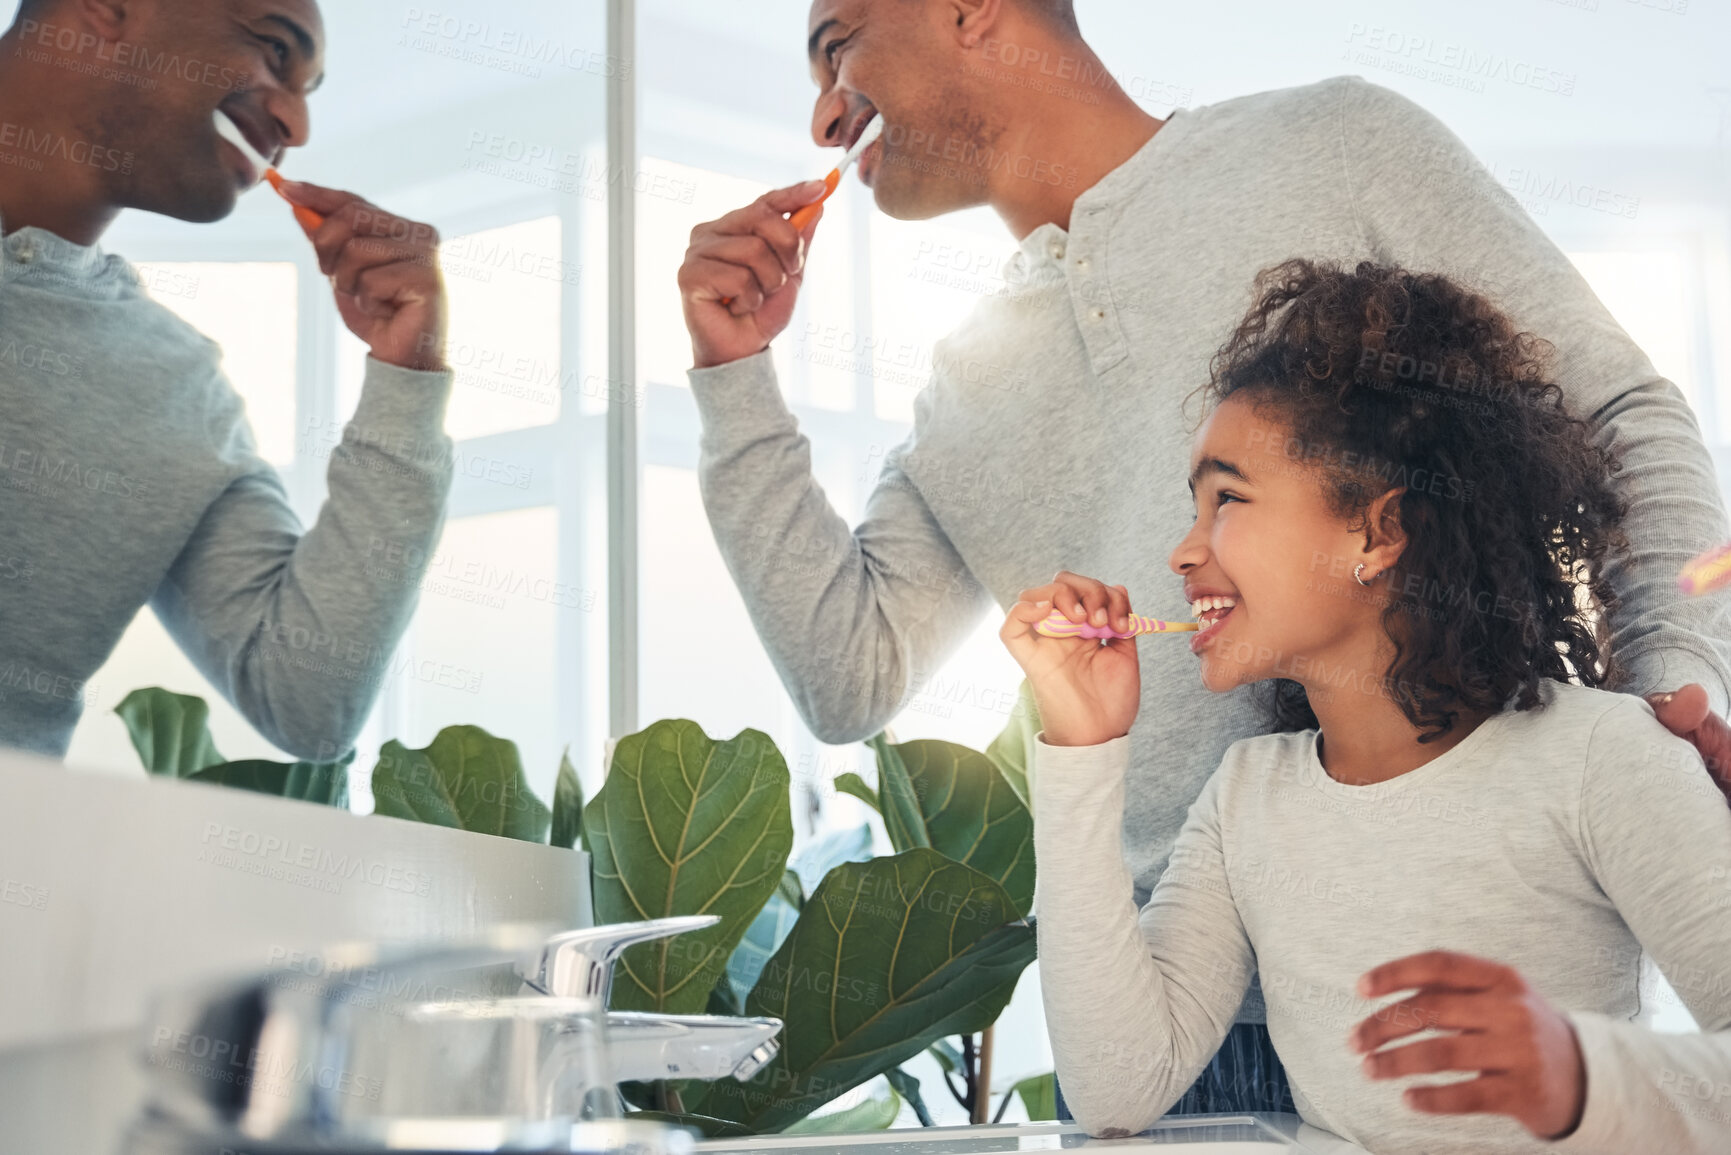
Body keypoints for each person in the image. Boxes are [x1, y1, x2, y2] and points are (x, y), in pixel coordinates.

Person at [674, 0, 1731, 1113]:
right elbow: (847, 678)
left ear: (970, 10)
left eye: (839, 46)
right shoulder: (963, 389)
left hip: (1461, 979)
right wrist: (733, 378)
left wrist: (1668, 693)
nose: (826, 113)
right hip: (1166, 1032)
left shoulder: (1334, 142)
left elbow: (1622, 413)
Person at [1000, 259, 1731, 1152]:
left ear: (1376, 533)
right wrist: (1081, 743)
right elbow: (1115, 1088)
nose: (1182, 553)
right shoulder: (1246, 796)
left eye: (1226, 497)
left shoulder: (1601, 758)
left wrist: (1579, 1074)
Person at [0, 0, 454, 760]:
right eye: (274, 48)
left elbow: (308, 701)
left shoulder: (177, 389)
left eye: (310, 87)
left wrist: (407, 378)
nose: (297, 126)